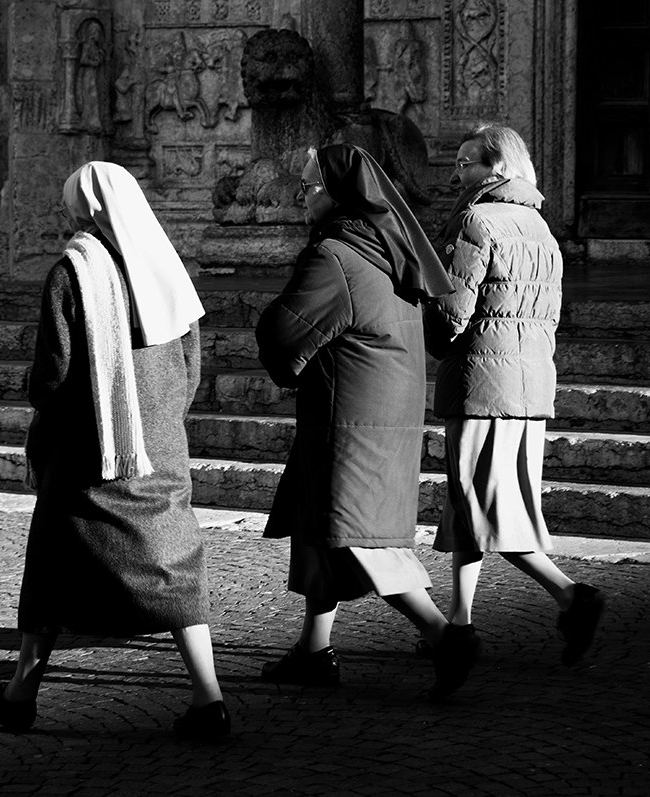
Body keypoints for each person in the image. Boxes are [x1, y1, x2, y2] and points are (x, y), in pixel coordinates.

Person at [0, 161, 230, 741]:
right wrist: (160, 421)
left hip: (91, 451)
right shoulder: (165, 266)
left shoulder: (73, 273)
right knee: (175, 567)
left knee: (52, 571)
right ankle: (209, 699)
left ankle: (20, 695)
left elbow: (52, 376)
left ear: (82, 209)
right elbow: (192, 364)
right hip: (159, 445)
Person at [255, 143, 479, 701]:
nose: (300, 197)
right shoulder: (383, 245)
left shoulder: (335, 255)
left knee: (359, 538)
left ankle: (443, 636)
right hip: (378, 409)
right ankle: (313, 650)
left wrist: (272, 334)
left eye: (306, 187)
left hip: (350, 417)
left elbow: (284, 335)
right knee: (322, 530)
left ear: (334, 194)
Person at [423, 123, 605, 665]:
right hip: (529, 385)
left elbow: (452, 311)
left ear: (497, 167)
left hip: (482, 382)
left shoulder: (476, 220)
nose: (457, 173)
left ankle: (571, 594)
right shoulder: (542, 230)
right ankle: (459, 620)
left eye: (466, 162)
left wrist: (427, 334)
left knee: (484, 505)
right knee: (472, 501)